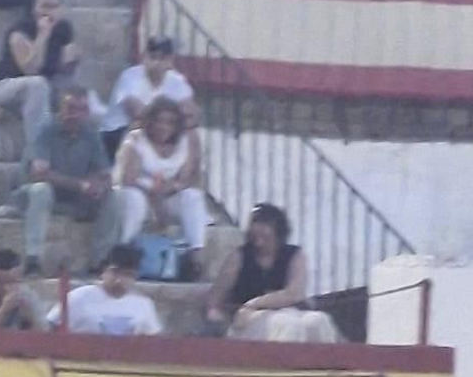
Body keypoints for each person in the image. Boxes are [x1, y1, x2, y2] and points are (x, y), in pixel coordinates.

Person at [18, 88, 121, 274]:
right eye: (70, 108)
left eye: (81, 109)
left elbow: (105, 173)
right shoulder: (45, 131)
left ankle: (101, 260)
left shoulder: (91, 135)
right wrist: (80, 185)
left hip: (75, 200)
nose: (75, 114)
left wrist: (98, 185)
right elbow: (39, 173)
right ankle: (33, 258)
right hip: (37, 196)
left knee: (112, 196)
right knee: (41, 190)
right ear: (60, 109)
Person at [206, 201, 337, 343]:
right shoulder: (239, 257)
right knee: (288, 324)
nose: (259, 235)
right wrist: (216, 316)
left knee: (319, 321)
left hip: (284, 310)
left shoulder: (294, 255)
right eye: (255, 227)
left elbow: (294, 293)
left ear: (278, 231)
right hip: (249, 317)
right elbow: (216, 297)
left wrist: (255, 303)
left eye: (265, 227)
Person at [0, 0, 78, 175]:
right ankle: (39, 154)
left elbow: (62, 68)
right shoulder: (19, 31)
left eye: (55, 6)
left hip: (40, 93)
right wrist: (43, 34)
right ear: (34, 9)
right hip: (3, 87)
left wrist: (72, 59)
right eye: (45, 6)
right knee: (38, 84)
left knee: (84, 101)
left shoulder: (64, 30)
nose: (50, 11)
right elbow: (31, 68)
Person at [115, 96, 206, 278]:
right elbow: (128, 178)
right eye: (159, 121)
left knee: (192, 197)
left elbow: (185, 179)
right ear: (150, 121)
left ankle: (195, 256)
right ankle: (123, 252)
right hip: (137, 192)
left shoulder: (185, 141)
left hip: (167, 193)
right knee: (135, 200)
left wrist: (166, 190)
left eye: (170, 122)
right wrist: (153, 193)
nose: (164, 126)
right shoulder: (135, 140)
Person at [101, 34, 195, 159]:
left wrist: (173, 124)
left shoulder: (177, 81)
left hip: (154, 133)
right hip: (116, 133)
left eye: (162, 58)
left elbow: (190, 113)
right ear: (144, 57)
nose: (157, 62)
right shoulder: (130, 77)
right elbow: (137, 112)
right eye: (153, 57)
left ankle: (181, 176)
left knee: (190, 134)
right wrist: (169, 119)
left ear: (170, 60)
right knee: (139, 126)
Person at [54, 244, 163, 335]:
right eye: (115, 272)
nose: (119, 280)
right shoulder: (78, 297)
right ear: (103, 271)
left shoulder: (143, 305)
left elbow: (153, 340)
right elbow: (52, 327)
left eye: (127, 275)